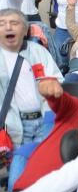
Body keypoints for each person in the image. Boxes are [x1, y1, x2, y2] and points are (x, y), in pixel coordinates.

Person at [0, 8, 63, 148]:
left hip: (45, 121)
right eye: (2, 23)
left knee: (46, 166)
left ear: (24, 30)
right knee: (18, 167)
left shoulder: (37, 50)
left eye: (14, 23)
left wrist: (52, 85)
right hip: (12, 127)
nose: (8, 27)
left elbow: (57, 80)